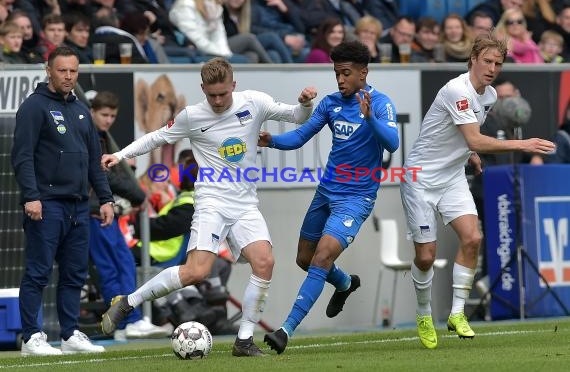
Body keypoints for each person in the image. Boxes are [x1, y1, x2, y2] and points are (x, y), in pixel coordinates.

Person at [98, 57, 317, 357]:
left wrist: (304, 103)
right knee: (195, 272)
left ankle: (244, 341)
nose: (217, 100)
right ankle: (127, 302)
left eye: (222, 94)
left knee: (264, 262)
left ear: (233, 86)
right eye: (211, 94)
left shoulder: (254, 102)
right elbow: (157, 137)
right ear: (202, 88)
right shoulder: (191, 116)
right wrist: (119, 155)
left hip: (245, 204)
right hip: (211, 203)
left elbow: (297, 116)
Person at [399, 32, 555, 350]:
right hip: (420, 179)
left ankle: (457, 314)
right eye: (487, 61)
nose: (492, 68)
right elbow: (474, 138)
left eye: (498, 63)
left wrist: (469, 153)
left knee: (473, 239)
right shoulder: (456, 89)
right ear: (473, 59)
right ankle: (424, 314)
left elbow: (465, 137)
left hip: (453, 176)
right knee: (426, 256)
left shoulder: (491, 96)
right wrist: (520, 143)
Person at [261, 40, 400, 354]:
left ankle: (285, 331)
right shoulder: (330, 103)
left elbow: (392, 143)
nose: (340, 79)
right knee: (304, 259)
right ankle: (345, 283)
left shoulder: (380, 104)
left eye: (346, 73)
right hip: (326, 192)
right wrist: (271, 141)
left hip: (357, 198)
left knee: (322, 256)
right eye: (337, 73)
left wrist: (371, 120)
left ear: (363, 72)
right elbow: (300, 136)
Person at [11, 46, 114, 356]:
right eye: (62, 70)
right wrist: (32, 196)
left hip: (79, 206)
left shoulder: (82, 110)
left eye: (73, 71)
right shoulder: (33, 107)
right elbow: (22, 156)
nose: (68, 76)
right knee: (38, 273)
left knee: (75, 274)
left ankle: (70, 334)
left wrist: (106, 199)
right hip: (47, 204)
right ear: (49, 70)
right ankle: (31, 337)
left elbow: (95, 160)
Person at [87, 90, 170, 341]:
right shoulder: (90, 136)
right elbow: (105, 175)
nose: (109, 120)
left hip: (101, 210)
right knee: (112, 266)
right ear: (92, 112)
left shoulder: (100, 137)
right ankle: (127, 321)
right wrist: (138, 195)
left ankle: (127, 321)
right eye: (104, 114)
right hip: (94, 211)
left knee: (121, 263)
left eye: (112, 115)